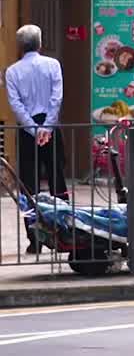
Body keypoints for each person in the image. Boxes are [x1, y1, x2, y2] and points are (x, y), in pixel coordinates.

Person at [4, 25, 68, 253]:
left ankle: (35, 239)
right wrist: (47, 128)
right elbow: (56, 98)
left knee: (28, 185)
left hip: (26, 130)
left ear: (20, 46)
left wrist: (33, 129)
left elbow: (16, 105)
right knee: (57, 179)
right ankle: (66, 232)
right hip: (50, 127)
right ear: (40, 43)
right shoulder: (53, 65)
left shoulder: (12, 72)